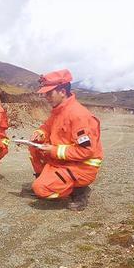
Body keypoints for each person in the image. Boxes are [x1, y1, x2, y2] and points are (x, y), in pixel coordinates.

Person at [28, 69, 103, 210]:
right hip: (64, 161)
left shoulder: (78, 115)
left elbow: (85, 151)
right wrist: (40, 134)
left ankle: (79, 191)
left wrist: (54, 150)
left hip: (81, 167)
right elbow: (47, 127)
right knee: (34, 147)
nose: (46, 97)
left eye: (49, 93)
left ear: (62, 92)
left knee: (41, 189)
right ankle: (47, 180)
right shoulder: (59, 111)